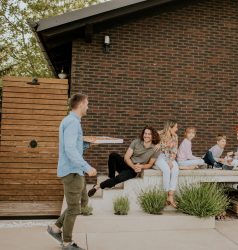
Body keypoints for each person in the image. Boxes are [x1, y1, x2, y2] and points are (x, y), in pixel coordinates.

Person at [47, 94, 97, 250]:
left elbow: (73, 147)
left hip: (76, 170)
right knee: (74, 208)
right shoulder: (72, 122)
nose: (88, 107)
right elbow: (69, 150)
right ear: (81, 104)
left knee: (83, 201)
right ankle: (67, 243)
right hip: (72, 172)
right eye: (87, 103)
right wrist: (87, 167)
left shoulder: (73, 122)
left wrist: (87, 145)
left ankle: (55, 228)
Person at [87, 126, 160, 197]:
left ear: (152, 136)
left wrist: (141, 166)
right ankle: (111, 178)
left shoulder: (155, 149)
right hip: (128, 164)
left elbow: (150, 164)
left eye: (149, 134)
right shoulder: (136, 141)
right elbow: (126, 157)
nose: (146, 135)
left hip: (132, 171)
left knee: (119, 178)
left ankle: (97, 187)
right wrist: (133, 166)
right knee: (113, 155)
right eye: (145, 133)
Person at [154, 120, 179, 208]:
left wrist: (170, 160)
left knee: (175, 169)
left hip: (170, 157)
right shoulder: (159, 135)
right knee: (167, 170)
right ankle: (165, 195)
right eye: (175, 127)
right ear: (169, 127)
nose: (177, 129)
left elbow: (175, 150)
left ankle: (170, 196)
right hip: (160, 156)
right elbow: (155, 147)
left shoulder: (175, 136)